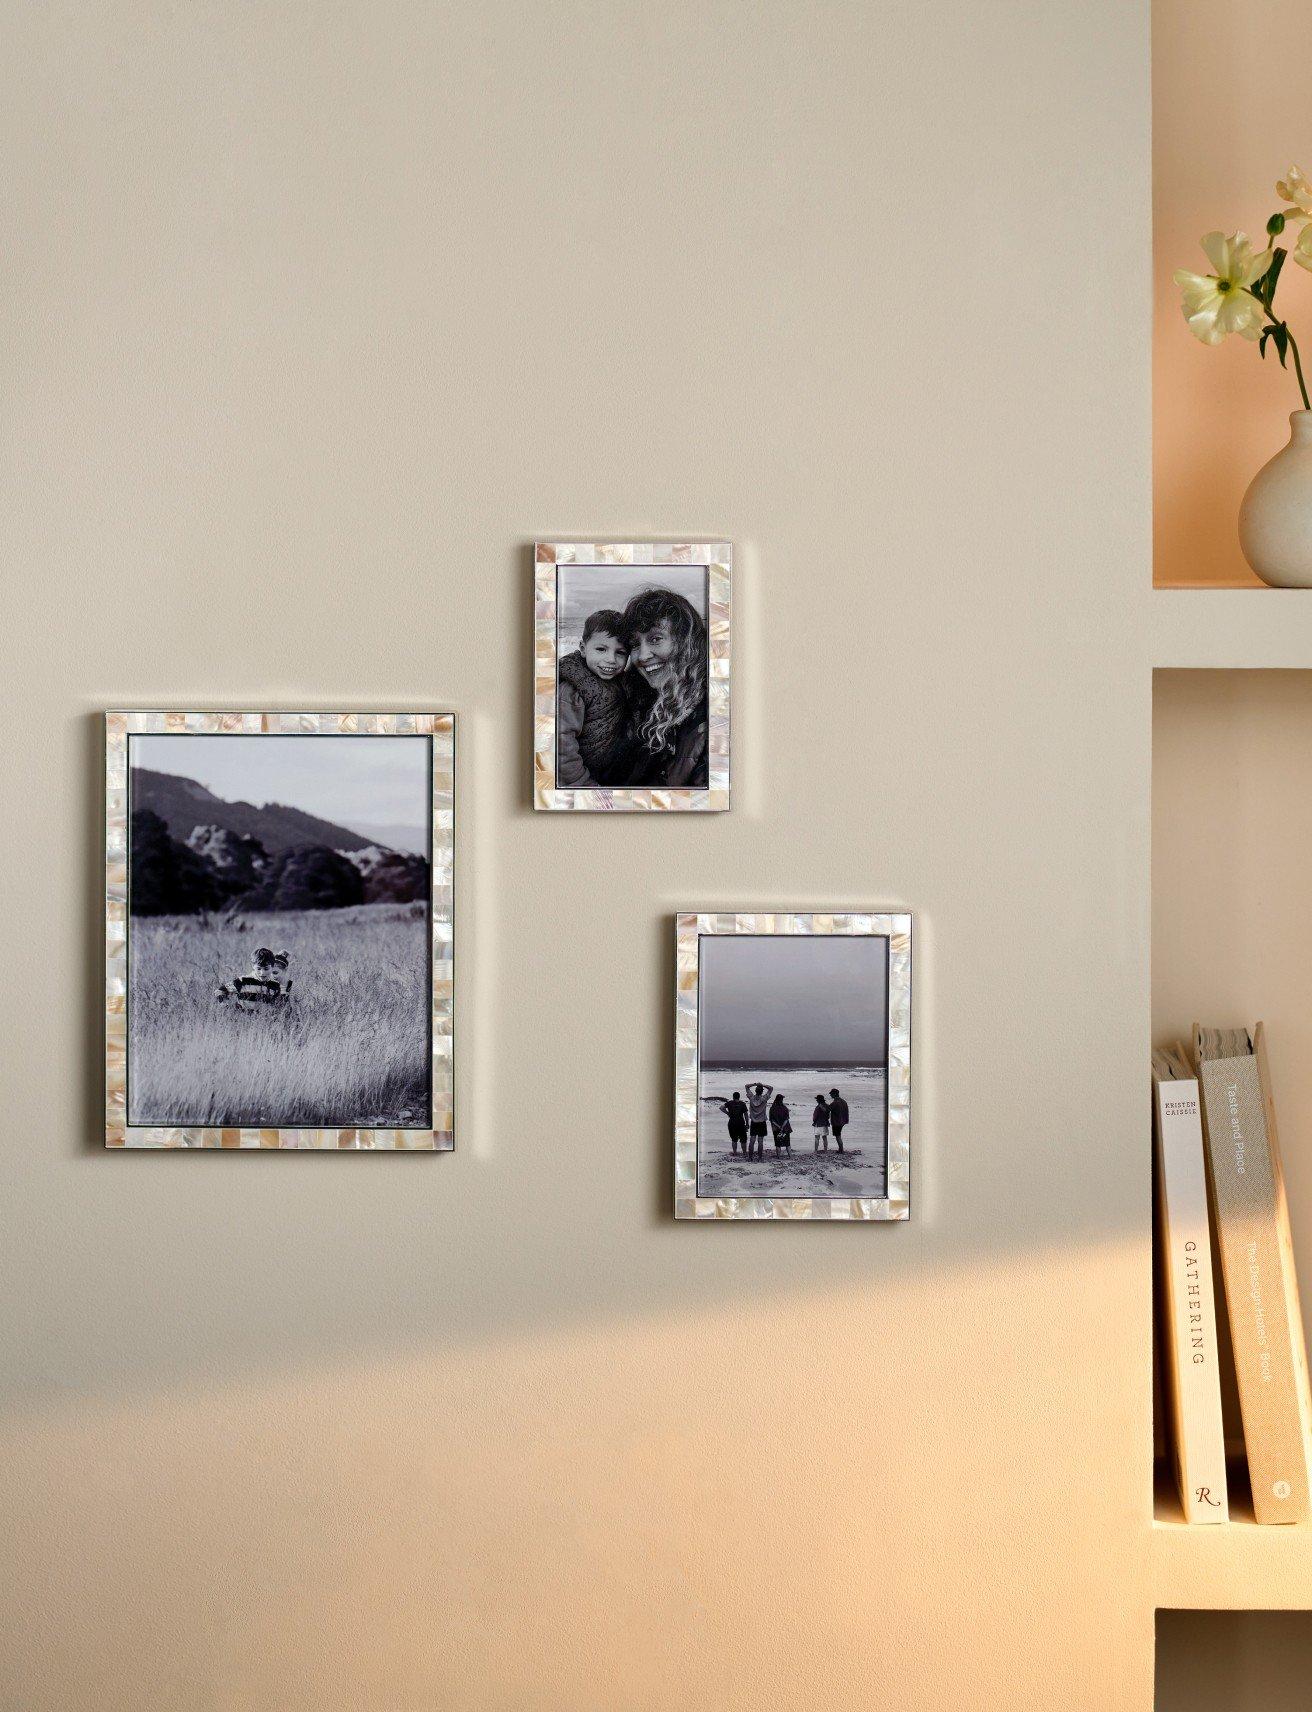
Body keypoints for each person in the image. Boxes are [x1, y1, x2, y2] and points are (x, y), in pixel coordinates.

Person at [619, 587, 709, 788]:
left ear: (687, 642)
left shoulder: (712, 719)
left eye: (655, 639)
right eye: (635, 644)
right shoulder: (636, 699)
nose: (642, 656)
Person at [556, 609, 632, 787]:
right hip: (580, 777)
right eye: (601, 649)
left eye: (620, 652)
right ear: (583, 649)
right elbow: (562, 744)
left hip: (607, 769)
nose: (611, 659)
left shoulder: (619, 681)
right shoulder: (571, 691)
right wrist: (581, 783)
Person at [710, 1090, 749, 1156]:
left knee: (734, 1139)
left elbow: (721, 1108)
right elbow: (746, 1114)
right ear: (739, 1097)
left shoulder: (729, 1103)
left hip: (732, 1123)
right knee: (743, 1139)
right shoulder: (742, 1104)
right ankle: (744, 1153)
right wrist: (747, 1123)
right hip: (741, 1123)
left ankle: (735, 1152)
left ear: (733, 1097)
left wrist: (727, 1113)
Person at [744, 1081, 773, 1159]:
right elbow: (771, 1088)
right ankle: (760, 1157)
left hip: (754, 1122)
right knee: (760, 1141)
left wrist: (755, 1084)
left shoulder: (751, 1098)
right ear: (762, 1091)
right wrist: (762, 1085)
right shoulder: (764, 1098)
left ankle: (750, 1157)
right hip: (762, 1122)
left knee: (752, 1141)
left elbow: (746, 1086)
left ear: (755, 1091)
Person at [828, 1088, 850, 1152]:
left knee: (838, 1136)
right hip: (843, 1121)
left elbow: (828, 1109)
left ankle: (841, 1149)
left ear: (834, 1094)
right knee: (838, 1135)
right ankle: (841, 1149)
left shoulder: (835, 1102)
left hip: (836, 1121)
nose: (830, 1095)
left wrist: (822, 1105)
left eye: (831, 1094)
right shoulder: (843, 1101)